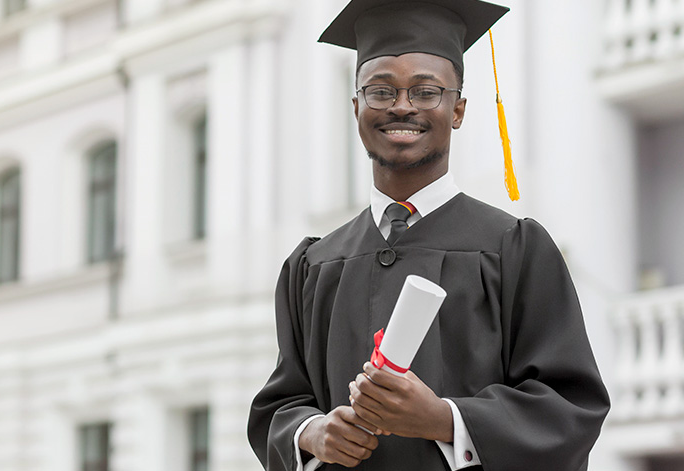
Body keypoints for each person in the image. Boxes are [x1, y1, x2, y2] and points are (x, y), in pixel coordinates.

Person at [247, 1, 610, 470]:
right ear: (356, 108)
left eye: (425, 92)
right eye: (380, 91)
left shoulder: (515, 249)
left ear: (457, 110)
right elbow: (280, 403)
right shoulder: (314, 266)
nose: (402, 106)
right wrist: (311, 433)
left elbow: (569, 408)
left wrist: (445, 419)